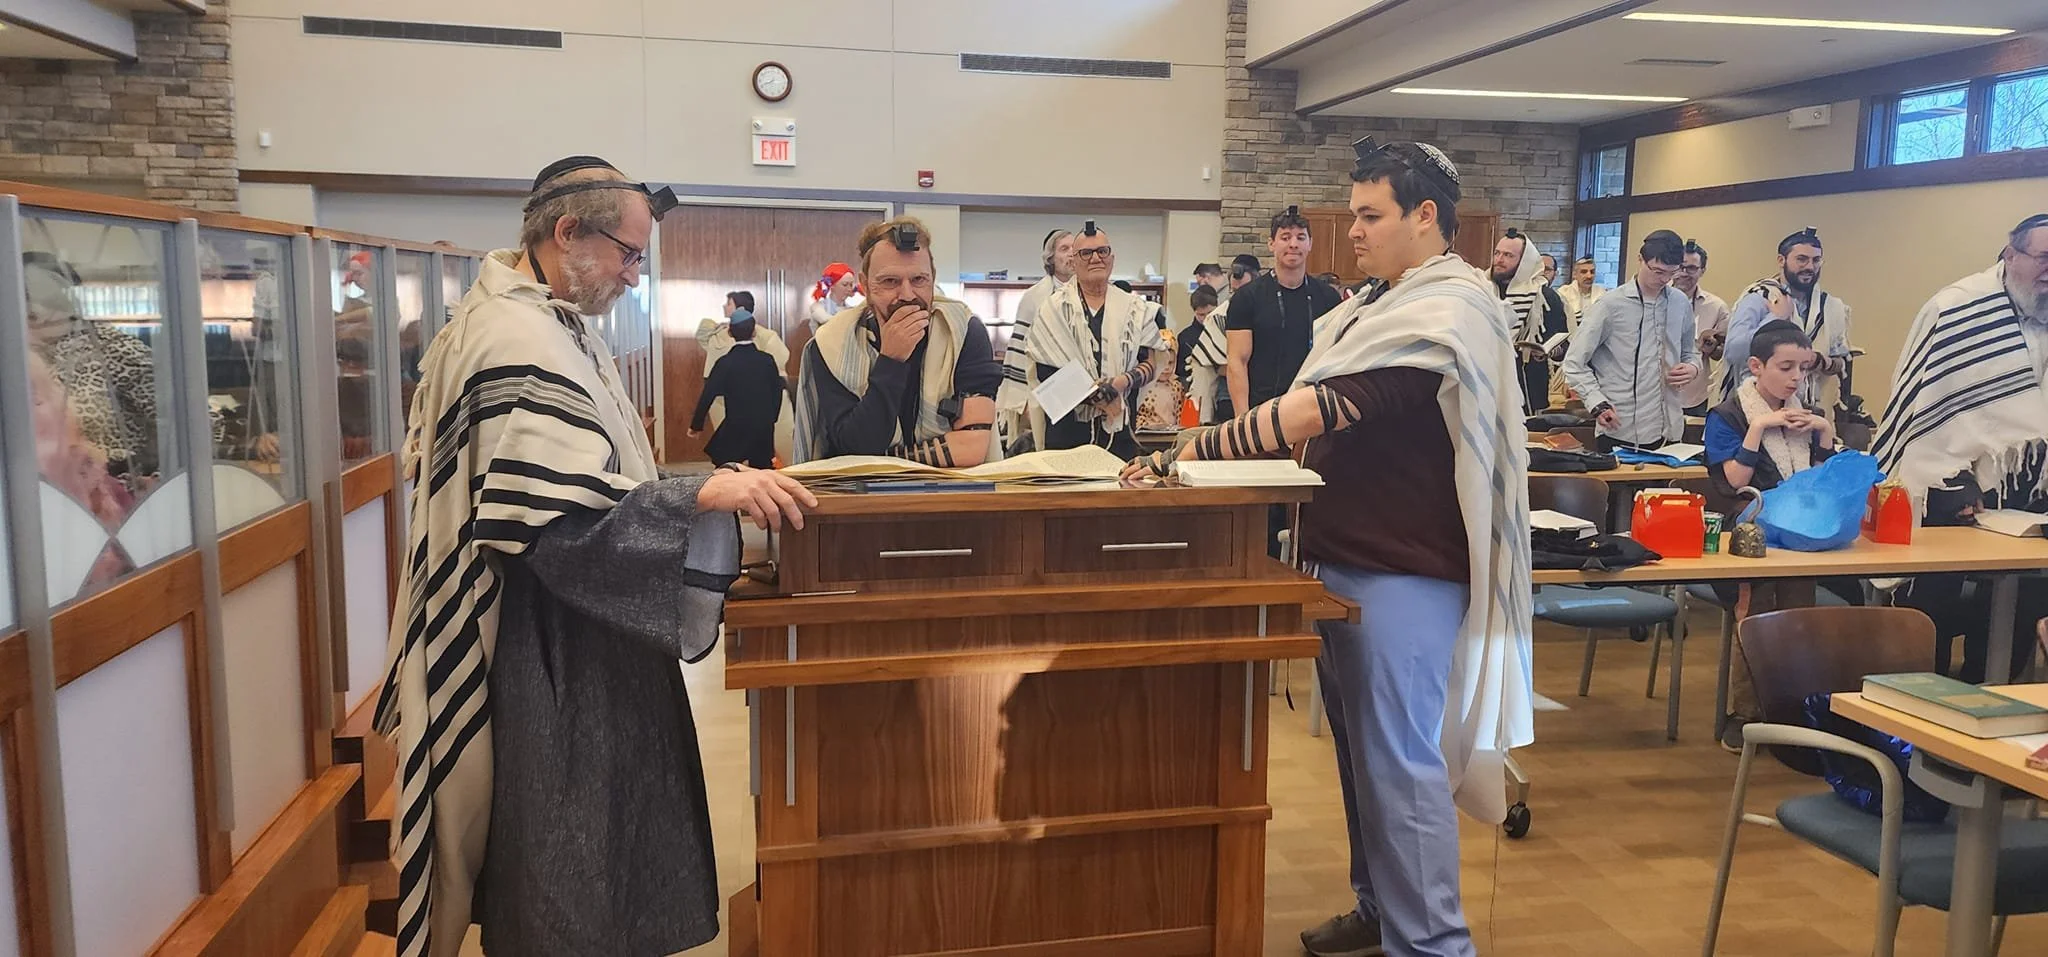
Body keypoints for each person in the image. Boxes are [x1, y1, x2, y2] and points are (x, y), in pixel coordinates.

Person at [375, 155, 816, 957]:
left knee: (591, 850)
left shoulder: (548, 318)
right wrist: (698, 497)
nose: (635, 276)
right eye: (628, 253)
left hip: (582, 624)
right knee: (563, 853)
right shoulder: (514, 335)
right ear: (566, 232)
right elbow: (550, 523)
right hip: (550, 638)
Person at [1124, 136, 1531, 957]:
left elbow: (1316, 412)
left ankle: (1435, 944)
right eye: (1351, 215)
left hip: (1404, 570)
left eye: (1369, 215)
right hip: (1339, 557)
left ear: (1425, 217)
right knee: (1358, 759)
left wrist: (1193, 450)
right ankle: (1380, 909)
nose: (1352, 231)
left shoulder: (1449, 306)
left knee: (1401, 767)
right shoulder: (1373, 305)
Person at [1878, 214, 2048, 684]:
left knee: (2025, 599)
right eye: (2043, 258)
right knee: (1931, 602)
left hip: (2030, 489)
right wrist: (1953, 480)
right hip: (1950, 485)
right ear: (2011, 255)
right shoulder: (1956, 309)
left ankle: (1988, 702)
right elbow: (1920, 408)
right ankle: (1910, 712)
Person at [1704, 319, 1855, 748]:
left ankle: (1792, 710)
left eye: (1803, 369)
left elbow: (1823, 484)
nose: (1796, 378)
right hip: (1750, 537)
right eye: (1786, 367)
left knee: (1797, 620)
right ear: (1756, 366)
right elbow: (1732, 482)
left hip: (1802, 534)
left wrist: (1825, 433)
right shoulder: (1729, 414)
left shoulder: (1809, 414)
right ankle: (1745, 714)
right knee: (1756, 620)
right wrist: (1758, 428)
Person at [794, 216, 1001, 466]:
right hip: (860, 500)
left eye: (918, 280)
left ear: (932, 279)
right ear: (866, 285)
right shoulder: (831, 343)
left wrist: (886, 459)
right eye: (890, 281)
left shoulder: (963, 331)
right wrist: (891, 360)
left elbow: (971, 448)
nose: (907, 295)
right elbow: (857, 445)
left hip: (949, 496)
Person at [1024, 224, 1167, 458]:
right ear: (1074, 261)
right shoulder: (1051, 310)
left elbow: (1150, 362)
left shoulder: (1135, 308)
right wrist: (1098, 396)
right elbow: (1045, 374)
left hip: (1118, 434)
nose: (1095, 259)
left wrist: (1120, 383)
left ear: (1112, 258)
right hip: (1066, 437)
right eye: (1086, 253)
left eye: (1102, 251)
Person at [23, 251, 160, 489]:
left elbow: (200, 422)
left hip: (112, 499)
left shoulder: (113, 349)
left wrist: (160, 481)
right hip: (35, 495)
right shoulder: (18, 359)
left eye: (43, 299)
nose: (31, 310)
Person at [1561, 230, 1699, 451]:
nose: (1664, 280)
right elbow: (1574, 363)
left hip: (1669, 428)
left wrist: (1692, 368)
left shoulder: (1680, 303)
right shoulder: (1610, 305)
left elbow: (1691, 352)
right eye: (1658, 271)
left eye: (1671, 273)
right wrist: (1597, 403)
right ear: (1640, 259)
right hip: (1618, 426)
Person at [1226, 207, 1344, 417]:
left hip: (1311, 409)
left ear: (1310, 244)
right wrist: (1241, 422)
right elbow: (1237, 362)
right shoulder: (1246, 298)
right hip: (1260, 410)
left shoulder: (1328, 298)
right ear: (1271, 244)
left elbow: (1336, 358)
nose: (1293, 244)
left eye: (1300, 238)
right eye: (1285, 237)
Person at [1721, 228, 1852, 408]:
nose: (1809, 267)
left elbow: (1842, 363)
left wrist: (1817, 360)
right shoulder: (1759, 297)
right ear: (1781, 260)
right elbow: (1734, 353)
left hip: (1811, 413)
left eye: (1816, 260)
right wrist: (1776, 317)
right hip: (1757, 410)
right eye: (1801, 259)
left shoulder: (1832, 307)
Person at [995, 228, 1075, 453]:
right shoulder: (1034, 298)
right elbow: (1019, 351)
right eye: (1064, 249)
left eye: (1075, 249)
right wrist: (1023, 402)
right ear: (1051, 257)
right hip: (1046, 387)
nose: (1071, 254)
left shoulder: (1088, 295)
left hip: (1082, 389)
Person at [689, 306, 784, 468]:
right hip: (763, 427)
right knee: (762, 468)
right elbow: (777, 391)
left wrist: (696, 425)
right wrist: (772, 418)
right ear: (754, 331)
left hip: (736, 425)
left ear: (730, 333)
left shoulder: (725, 363)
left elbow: (708, 394)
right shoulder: (767, 360)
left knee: (725, 463)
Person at [1490, 228, 1568, 415]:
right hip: (1488, 379)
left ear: (1524, 262)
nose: (1499, 260)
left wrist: (1543, 351)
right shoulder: (1482, 289)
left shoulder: (1545, 297)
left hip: (1528, 383)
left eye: (1508, 255)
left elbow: (1563, 346)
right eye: (1497, 253)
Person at [1675, 239, 1731, 417]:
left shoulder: (1717, 307)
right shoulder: (1655, 301)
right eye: (1680, 266)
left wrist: (1712, 347)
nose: (1684, 273)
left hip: (1696, 395)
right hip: (1655, 394)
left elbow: (1720, 354)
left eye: (1691, 268)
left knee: (1691, 444)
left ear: (1702, 271)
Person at [1178, 284, 1229, 423]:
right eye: (1201, 315)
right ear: (1194, 312)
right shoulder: (1186, 336)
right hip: (1197, 393)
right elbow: (1182, 373)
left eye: (1210, 313)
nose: (1207, 318)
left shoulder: (1227, 328)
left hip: (1225, 390)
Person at [805, 261, 858, 331]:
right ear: (832, 285)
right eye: (845, 284)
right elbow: (827, 321)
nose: (849, 289)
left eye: (851, 285)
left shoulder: (852, 310)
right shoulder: (817, 307)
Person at [1558, 256, 1606, 331]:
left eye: (1592, 272)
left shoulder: (1603, 294)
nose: (1589, 276)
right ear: (1574, 274)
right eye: (1584, 272)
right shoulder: (1563, 293)